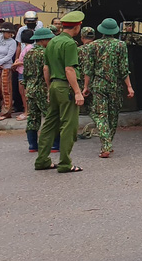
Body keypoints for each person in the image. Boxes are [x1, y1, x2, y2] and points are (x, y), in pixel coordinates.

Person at [35, 11, 86, 173]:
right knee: (68, 125)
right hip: (66, 86)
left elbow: (46, 68)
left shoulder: (52, 42)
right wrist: (77, 92)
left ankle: (42, 160)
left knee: (50, 124)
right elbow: (69, 69)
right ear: (77, 27)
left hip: (55, 85)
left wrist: (50, 88)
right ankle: (65, 163)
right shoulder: (70, 44)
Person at [85, 18, 134, 158]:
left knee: (101, 116)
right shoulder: (121, 45)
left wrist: (86, 87)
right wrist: (129, 87)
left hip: (99, 85)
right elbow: (124, 69)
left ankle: (106, 145)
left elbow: (89, 69)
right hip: (115, 86)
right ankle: (108, 143)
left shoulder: (93, 46)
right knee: (113, 116)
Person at [22, 27, 54, 153]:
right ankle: (53, 145)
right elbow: (46, 70)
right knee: (50, 116)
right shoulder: (45, 53)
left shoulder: (28, 53)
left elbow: (25, 72)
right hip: (42, 88)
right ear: (43, 40)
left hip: (30, 88)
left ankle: (32, 145)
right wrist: (49, 87)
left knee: (32, 117)